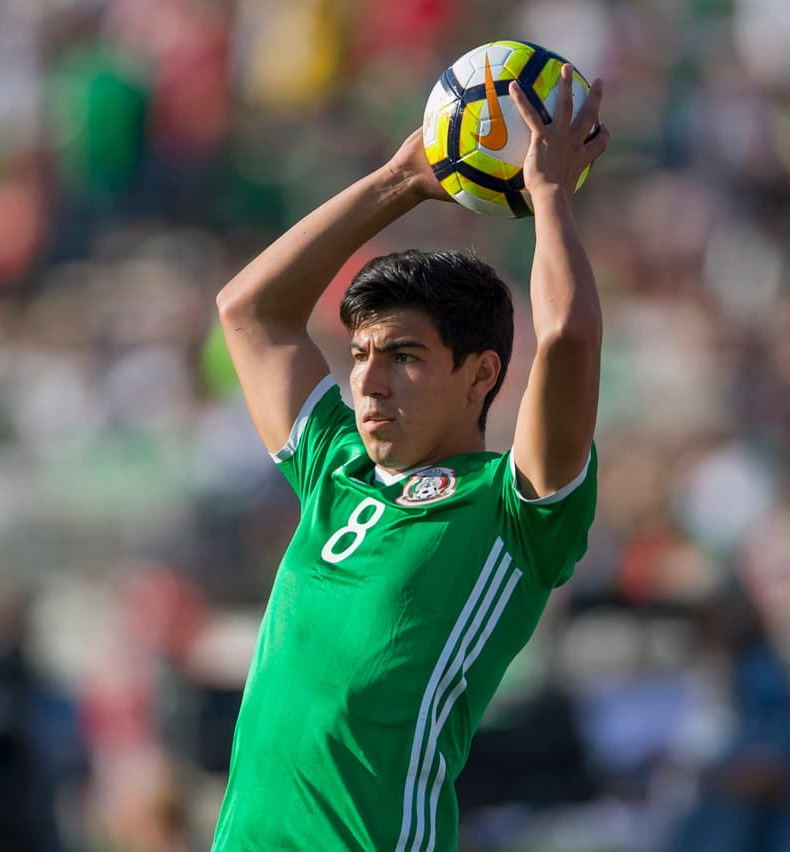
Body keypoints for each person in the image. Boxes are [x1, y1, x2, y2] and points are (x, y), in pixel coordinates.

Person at [210, 67, 610, 850]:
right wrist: (402, 179)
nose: (367, 380)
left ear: (482, 374)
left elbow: (566, 338)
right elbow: (248, 312)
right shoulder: (336, 468)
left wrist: (550, 196)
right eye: (360, 355)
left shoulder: (514, 509)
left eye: (404, 357)